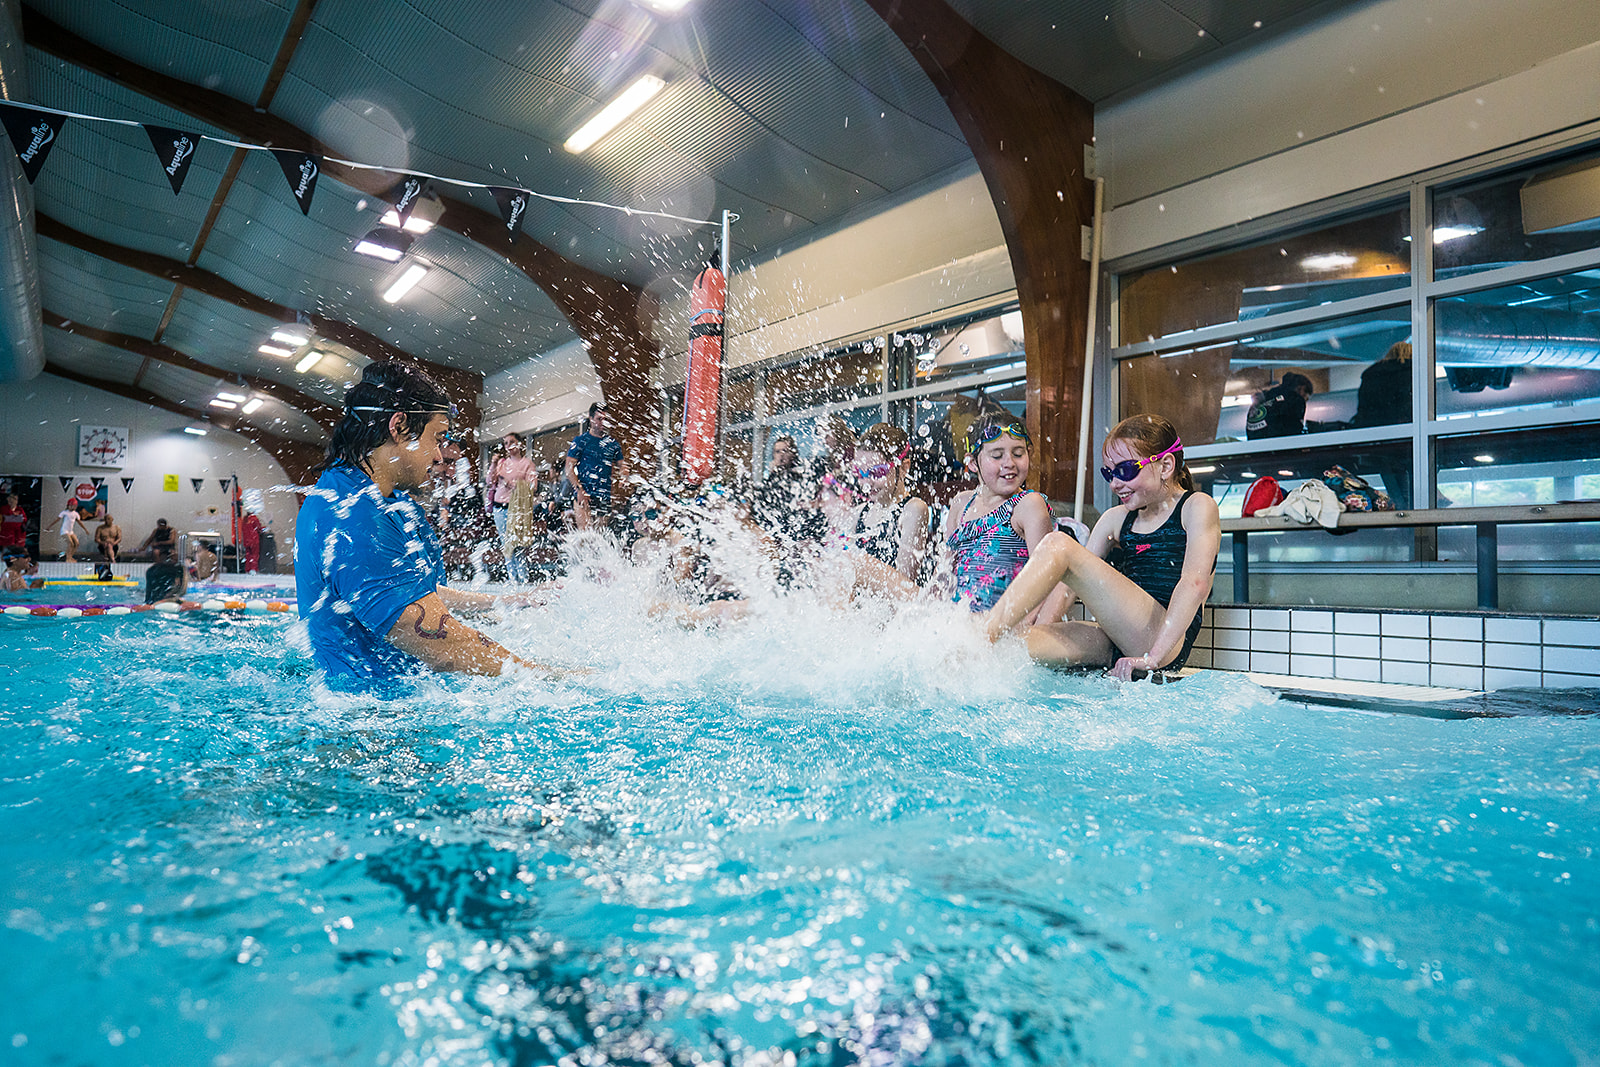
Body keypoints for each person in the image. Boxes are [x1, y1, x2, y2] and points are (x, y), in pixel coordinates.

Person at [295, 361, 559, 683]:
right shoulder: (353, 520)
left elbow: (419, 595)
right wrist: (556, 677)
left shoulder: (381, 499)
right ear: (399, 426)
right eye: (436, 438)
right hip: (373, 718)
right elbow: (444, 649)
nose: (438, 455)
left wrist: (510, 601)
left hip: (404, 698)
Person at [981, 414, 1221, 681]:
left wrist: (1152, 657)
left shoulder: (1196, 506)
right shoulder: (1116, 518)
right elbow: (1068, 584)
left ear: (1165, 466)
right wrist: (1042, 634)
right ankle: (974, 645)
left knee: (1060, 544)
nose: (1114, 483)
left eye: (1126, 470)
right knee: (1016, 645)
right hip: (1117, 639)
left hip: (1164, 644)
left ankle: (981, 634)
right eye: (1109, 473)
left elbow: (1194, 584)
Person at [942, 413, 1057, 615]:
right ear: (972, 463)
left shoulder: (1028, 505)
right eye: (996, 455)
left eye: (1018, 453)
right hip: (960, 627)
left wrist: (1022, 637)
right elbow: (943, 574)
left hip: (1001, 630)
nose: (1009, 462)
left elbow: (1045, 582)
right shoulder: (961, 505)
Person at [842, 423, 930, 581]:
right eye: (859, 473)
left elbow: (904, 585)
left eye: (877, 472)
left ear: (903, 468)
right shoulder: (859, 513)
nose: (867, 483)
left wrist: (863, 565)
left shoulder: (913, 510)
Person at [565, 403, 626, 531]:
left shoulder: (612, 444)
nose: (603, 423)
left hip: (603, 495)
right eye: (599, 419)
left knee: (600, 537)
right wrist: (579, 490)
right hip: (584, 493)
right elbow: (569, 469)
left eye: (606, 419)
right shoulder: (580, 441)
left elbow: (622, 466)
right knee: (585, 535)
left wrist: (624, 477)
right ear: (591, 418)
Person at [487, 432, 538, 580]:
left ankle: (523, 578)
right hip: (499, 508)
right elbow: (490, 481)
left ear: (520, 444)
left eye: (511, 442)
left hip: (516, 509)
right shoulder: (502, 463)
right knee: (506, 545)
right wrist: (493, 464)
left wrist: (513, 485)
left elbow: (533, 486)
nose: (508, 446)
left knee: (518, 544)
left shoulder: (527, 464)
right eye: (506, 443)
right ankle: (512, 579)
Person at [1352, 341, 1413, 429]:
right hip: (1401, 428)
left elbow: (1363, 408)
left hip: (1371, 428)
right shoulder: (1411, 371)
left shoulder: (1371, 374)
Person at [1245, 371, 1313, 439]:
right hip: (1277, 444)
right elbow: (1294, 431)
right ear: (1301, 388)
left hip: (1255, 445)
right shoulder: (1295, 399)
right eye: (1306, 398)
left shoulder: (1266, 397)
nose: (1305, 401)